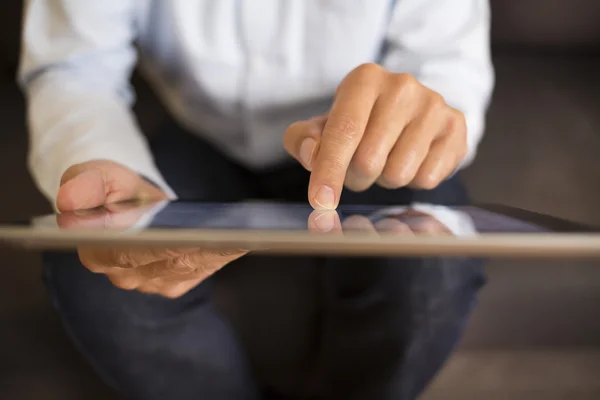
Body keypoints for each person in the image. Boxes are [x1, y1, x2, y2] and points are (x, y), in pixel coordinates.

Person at [19, 1, 494, 399]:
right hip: (201, 131)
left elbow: (447, 64)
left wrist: (425, 124)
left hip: (365, 147)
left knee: (433, 265)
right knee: (95, 266)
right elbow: (74, 65)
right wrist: (100, 161)